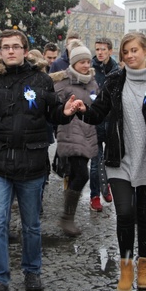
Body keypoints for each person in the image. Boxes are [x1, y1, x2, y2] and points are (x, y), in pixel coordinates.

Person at [0, 29, 81, 291]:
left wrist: (65, 113)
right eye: (5, 47)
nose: (10, 51)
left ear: (24, 50)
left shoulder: (41, 80)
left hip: (32, 163)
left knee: (31, 224)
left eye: (16, 46)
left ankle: (32, 271)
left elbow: (53, 112)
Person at [79, 32, 146, 291]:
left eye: (134, 50)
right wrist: (80, 109)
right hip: (119, 158)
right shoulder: (114, 81)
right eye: (126, 52)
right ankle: (126, 268)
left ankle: (144, 267)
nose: (130, 55)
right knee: (125, 214)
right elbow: (97, 114)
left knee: (145, 217)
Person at [51, 42, 99, 236]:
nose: (86, 65)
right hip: (70, 131)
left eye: (88, 61)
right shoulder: (63, 83)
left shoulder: (92, 82)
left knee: (76, 175)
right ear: (74, 63)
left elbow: (97, 104)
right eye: (82, 62)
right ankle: (67, 218)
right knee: (82, 175)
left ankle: (67, 215)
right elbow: (54, 108)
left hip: (88, 131)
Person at [90, 37, 118, 208]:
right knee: (95, 163)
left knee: (111, 161)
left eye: (103, 49)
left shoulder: (116, 71)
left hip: (112, 122)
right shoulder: (90, 70)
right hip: (94, 122)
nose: (100, 52)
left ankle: (105, 186)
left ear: (110, 51)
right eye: (97, 49)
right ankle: (95, 196)